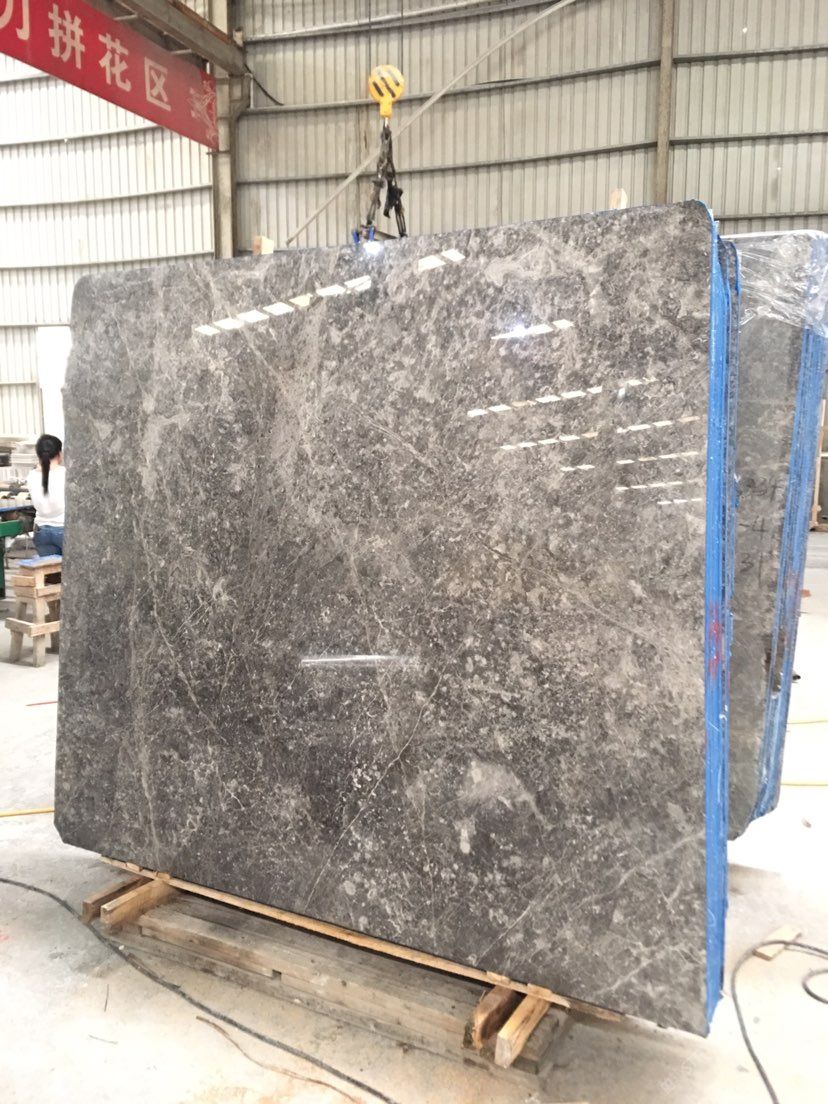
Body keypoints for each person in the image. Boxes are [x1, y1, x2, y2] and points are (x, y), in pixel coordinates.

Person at [27, 434, 65, 558]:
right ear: (59, 454)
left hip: (41, 531)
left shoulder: (32, 475)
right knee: (72, 569)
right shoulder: (65, 474)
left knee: (49, 570)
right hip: (63, 529)